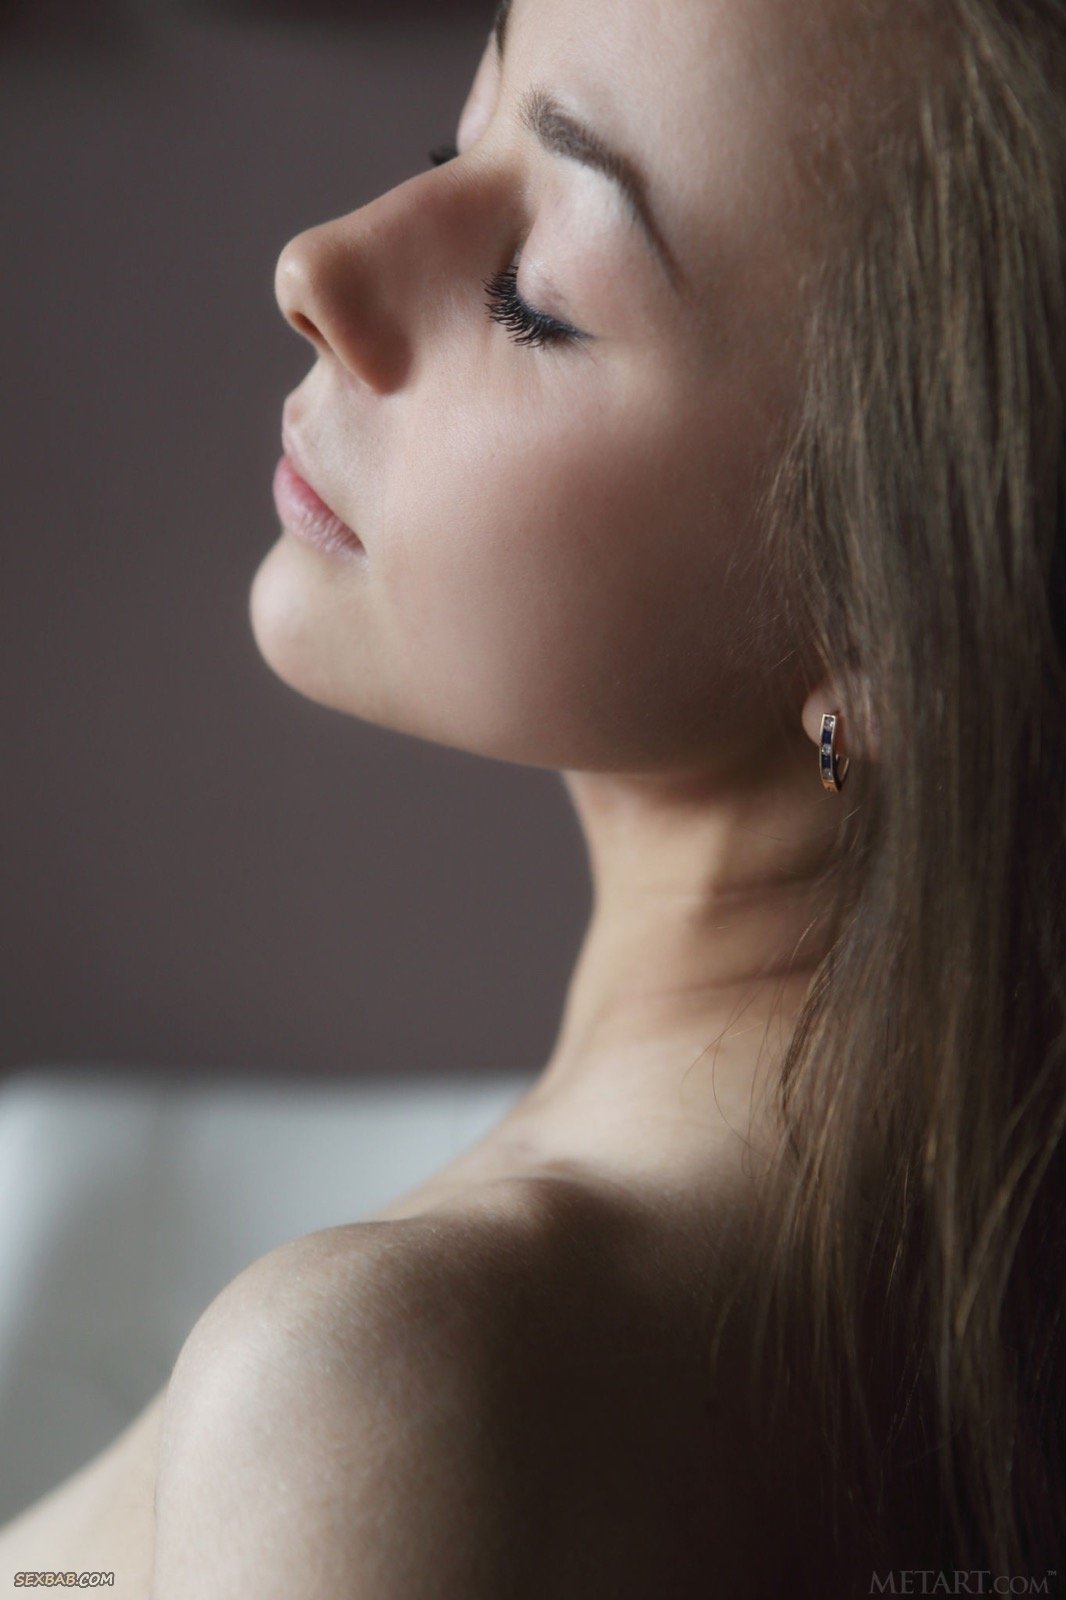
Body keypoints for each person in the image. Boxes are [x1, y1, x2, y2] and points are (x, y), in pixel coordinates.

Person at [3, 0, 1061, 1594]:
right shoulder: (929, 1310)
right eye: (455, 135)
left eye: (533, 294)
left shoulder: (387, 1391)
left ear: (907, 634)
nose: (318, 264)